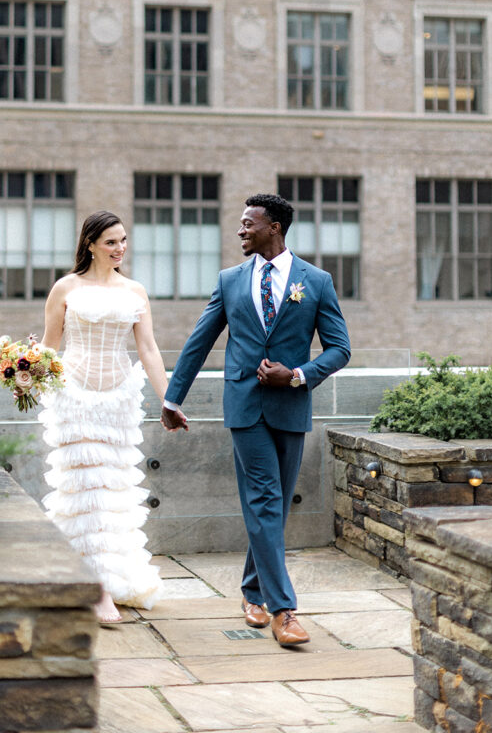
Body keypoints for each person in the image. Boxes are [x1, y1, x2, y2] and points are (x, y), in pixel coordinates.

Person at [161, 193, 350, 647]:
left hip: (291, 407)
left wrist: (298, 375)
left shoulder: (316, 281)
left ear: (275, 227)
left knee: (275, 508)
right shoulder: (229, 280)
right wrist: (173, 397)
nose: (241, 230)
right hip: (244, 409)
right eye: (241, 223)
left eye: (249, 223)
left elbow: (340, 348)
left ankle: (251, 591)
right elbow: (199, 341)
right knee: (265, 499)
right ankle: (285, 611)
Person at [39, 209, 179, 624]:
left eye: (123, 241)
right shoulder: (66, 287)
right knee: (82, 492)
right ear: (90, 244)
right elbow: (49, 346)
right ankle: (93, 587)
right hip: (74, 397)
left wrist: (168, 401)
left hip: (119, 397)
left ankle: (111, 581)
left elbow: (149, 350)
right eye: (111, 242)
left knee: (113, 491)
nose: (120, 249)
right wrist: (22, 372)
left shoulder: (135, 291)